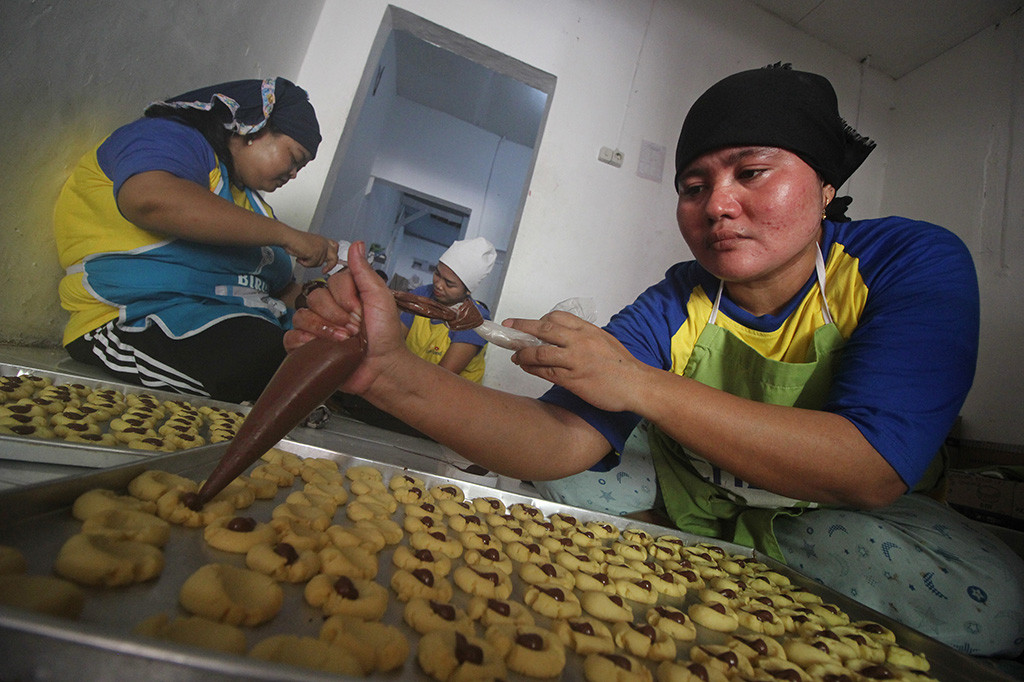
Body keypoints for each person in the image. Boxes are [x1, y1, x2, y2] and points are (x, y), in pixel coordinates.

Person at [288, 65, 1024, 656]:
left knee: (993, 604)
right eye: (693, 186)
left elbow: (871, 469)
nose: (717, 205)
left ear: (826, 186)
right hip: (698, 503)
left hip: (829, 515)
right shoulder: (677, 300)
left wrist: (639, 384)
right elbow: (560, 441)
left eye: (751, 172)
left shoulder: (908, 263)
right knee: (567, 491)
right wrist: (386, 371)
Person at [54, 77, 338, 403]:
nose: (293, 175)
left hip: (235, 321)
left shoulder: (250, 204)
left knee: (334, 357)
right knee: (262, 359)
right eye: (294, 159)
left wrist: (325, 305)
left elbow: (278, 291)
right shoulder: (168, 138)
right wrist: (288, 236)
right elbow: (149, 199)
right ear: (252, 129)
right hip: (133, 320)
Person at [401, 236, 496, 382]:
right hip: (409, 381)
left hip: (448, 397)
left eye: (449, 284)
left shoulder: (474, 320)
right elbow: (395, 339)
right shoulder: (423, 295)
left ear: (468, 290)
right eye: (437, 274)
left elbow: (441, 377)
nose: (438, 284)